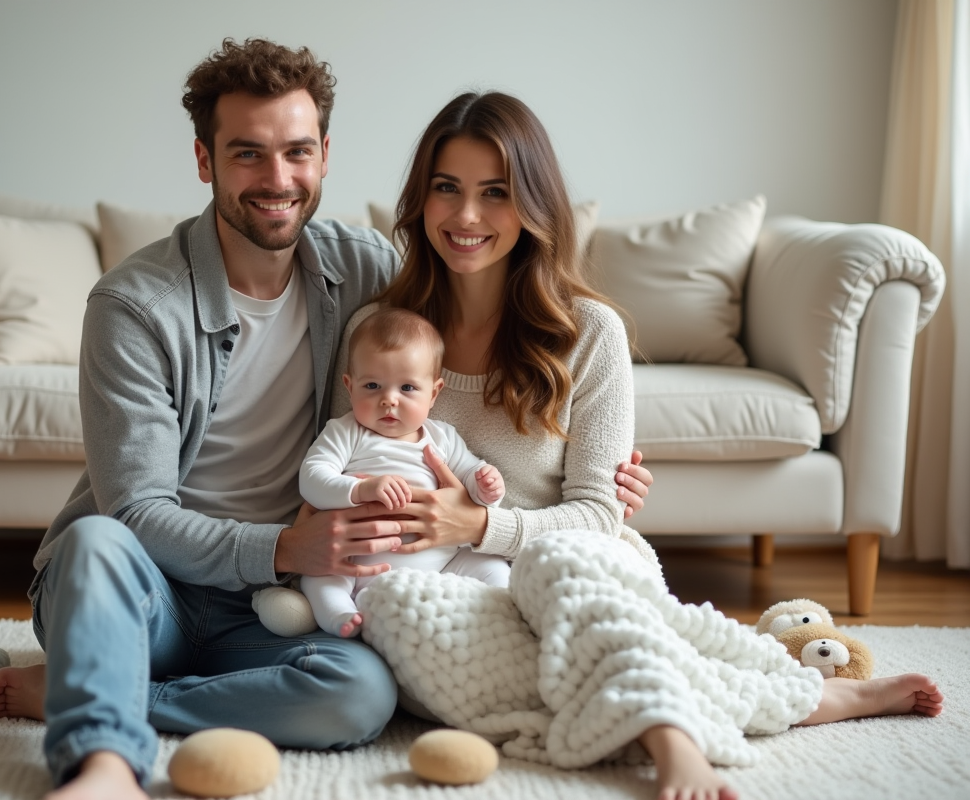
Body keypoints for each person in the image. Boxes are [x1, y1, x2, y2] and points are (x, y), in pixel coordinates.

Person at [0, 38, 655, 800]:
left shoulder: (365, 276)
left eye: (297, 151)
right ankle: (102, 763)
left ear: (325, 156)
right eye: (247, 153)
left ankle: (104, 690)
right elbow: (134, 511)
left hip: (273, 608)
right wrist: (281, 547)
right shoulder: (134, 307)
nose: (277, 180)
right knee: (95, 541)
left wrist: (599, 491)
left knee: (361, 693)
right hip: (147, 587)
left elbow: (442, 390)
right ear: (204, 160)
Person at [325, 90, 944, 800]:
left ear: (533, 205)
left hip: (577, 569)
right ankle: (804, 698)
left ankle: (669, 737)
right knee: (402, 611)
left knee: (557, 565)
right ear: (420, 198)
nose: (467, 216)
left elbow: (597, 515)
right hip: (456, 587)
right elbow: (337, 470)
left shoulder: (590, 333)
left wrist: (479, 525)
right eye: (447, 188)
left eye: (495, 192)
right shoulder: (378, 332)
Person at [289, 306, 511, 638]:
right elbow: (311, 478)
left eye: (407, 388)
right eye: (372, 385)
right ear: (349, 386)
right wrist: (359, 490)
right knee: (319, 577)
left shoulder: (442, 437)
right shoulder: (346, 432)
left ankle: (503, 613)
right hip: (358, 563)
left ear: (433, 393)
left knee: (492, 567)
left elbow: (468, 476)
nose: (389, 400)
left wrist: (486, 486)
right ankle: (341, 617)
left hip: (441, 563)